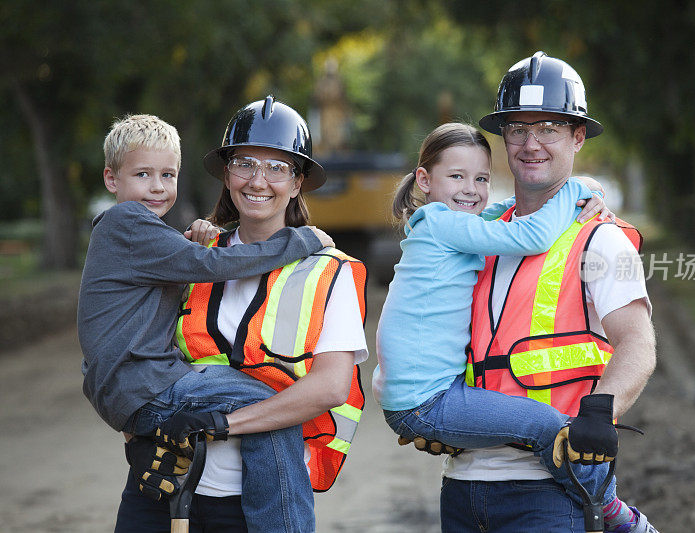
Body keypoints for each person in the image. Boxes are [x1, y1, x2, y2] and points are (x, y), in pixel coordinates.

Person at [411, 53, 657, 533]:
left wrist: (599, 415)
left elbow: (638, 343)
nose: (530, 144)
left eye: (548, 128)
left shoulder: (598, 238)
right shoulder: (475, 236)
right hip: (461, 484)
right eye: (518, 130)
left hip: (551, 489)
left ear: (577, 136)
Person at [117, 96, 368, 532]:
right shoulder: (190, 256)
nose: (258, 180)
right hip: (164, 481)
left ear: (298, 183)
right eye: (245, 163)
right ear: (227, 174)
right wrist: (136, 428)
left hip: (259, 500)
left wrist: (221, 423)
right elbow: (134, 351)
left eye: (277, 168)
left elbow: (330, 387)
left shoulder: (329, 271)